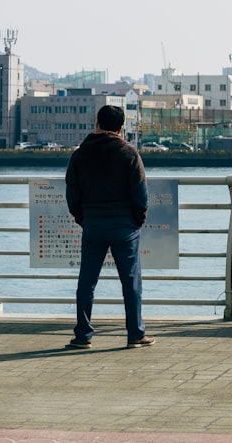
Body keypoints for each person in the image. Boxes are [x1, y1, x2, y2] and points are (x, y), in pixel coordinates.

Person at [65, 104, 155, 349]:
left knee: (87, 281)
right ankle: (135, 333)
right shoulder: (128, 153)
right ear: (121, 127)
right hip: (124, 225)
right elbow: (141, 195)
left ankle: (83, 335)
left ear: (97, 123)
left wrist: (83, 219)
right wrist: (137, 220)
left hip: (93, 223)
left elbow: (72, 194)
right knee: (131, 281)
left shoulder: (80, 154)